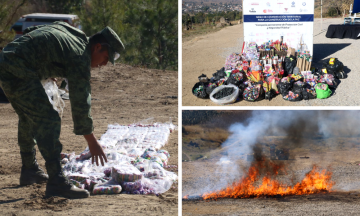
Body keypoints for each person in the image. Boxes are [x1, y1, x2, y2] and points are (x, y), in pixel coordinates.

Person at [0, 21, 125, 199]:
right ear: (97, 47)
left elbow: (35, 31)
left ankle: (30, 170)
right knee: (47, 119)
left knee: (29, 117)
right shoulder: (80, 56)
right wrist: (91, 141)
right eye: (106, 57)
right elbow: (81, 101)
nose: (104, 64)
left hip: (9, 60)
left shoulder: (75, 35)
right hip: (18, 68)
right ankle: (57, 181)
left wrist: (46, 63)